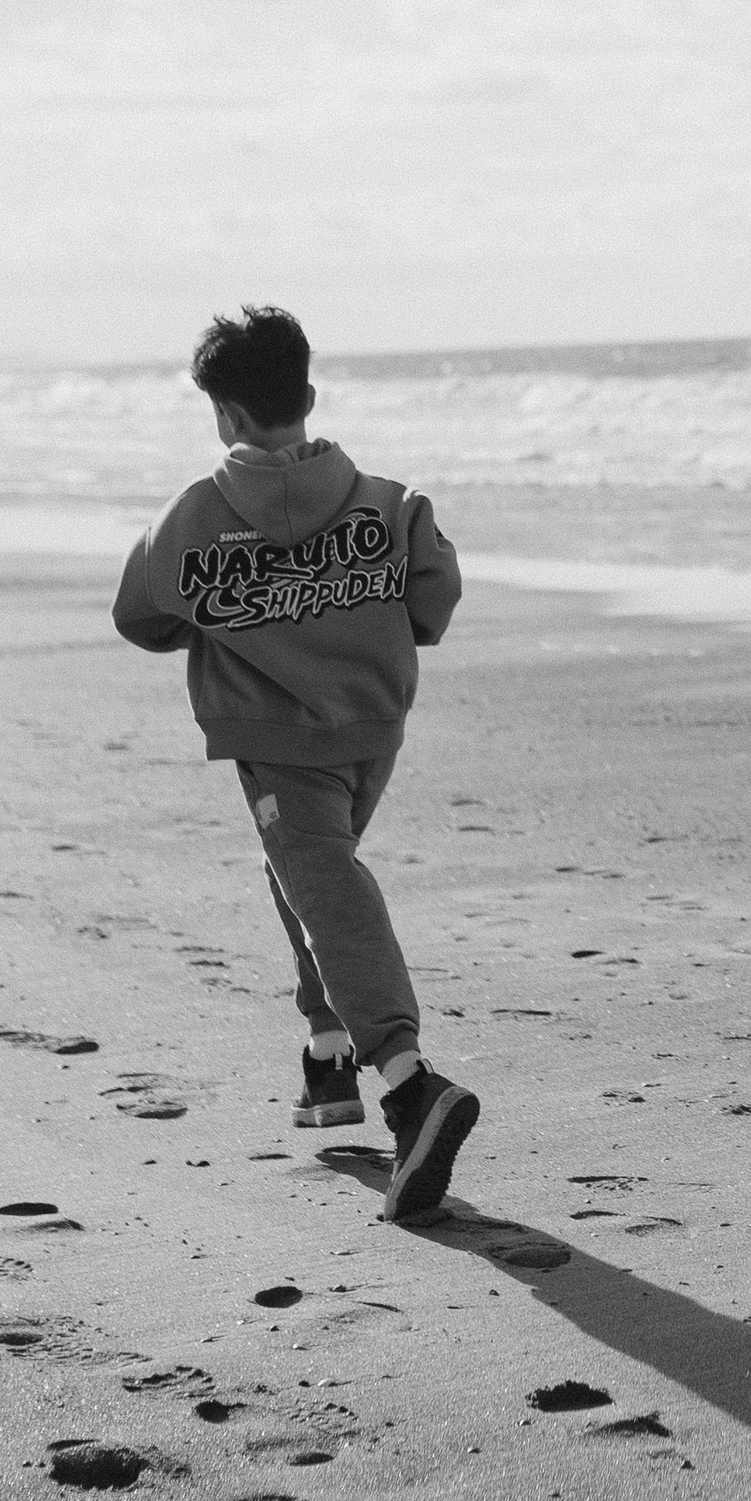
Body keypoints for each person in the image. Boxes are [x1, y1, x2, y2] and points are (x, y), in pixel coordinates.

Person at [111, 304, 481, 1224]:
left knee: (324, 882)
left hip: (277, 743)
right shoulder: (391, 504)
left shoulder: (192, 518)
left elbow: (140, 615)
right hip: (372, 731)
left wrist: (235, 613)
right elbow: (434, 599)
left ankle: (405, 1082)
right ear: (308, 397)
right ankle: (325, 1058)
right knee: (312, 874)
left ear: (224, 416)